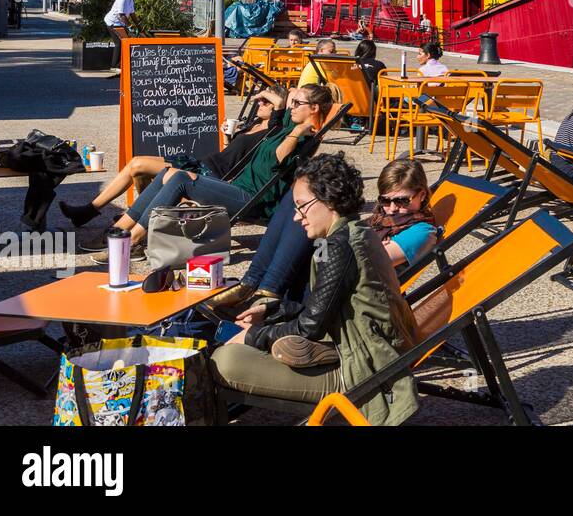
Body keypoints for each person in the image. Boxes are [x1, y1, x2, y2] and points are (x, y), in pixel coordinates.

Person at [210, 152, 420, 425]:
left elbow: (310, 326)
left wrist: (255, 336)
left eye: (301, 207)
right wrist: (273, 309)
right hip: (359, 350)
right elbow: (321, 304)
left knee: (222, 361)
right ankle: (314, 352)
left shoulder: (339, 246)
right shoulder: (352, 232)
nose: (297, 217)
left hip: (360, 370)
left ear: (328, 199)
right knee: (238, 348)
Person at [84, 85, 335, 259]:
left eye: (298, 103)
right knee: (167, 174)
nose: (291, 106)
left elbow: (276, 160)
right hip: (237, 186)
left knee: (180, 177)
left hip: (252, 199)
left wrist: (299, 132)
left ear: (313, 108)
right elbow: (284, 99)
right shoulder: (290, 120)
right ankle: (123, 230)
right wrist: (292, 106)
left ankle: (134, 239)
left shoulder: (305, 138)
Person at [208, 157, 440, 318]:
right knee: (298, 198)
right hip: (330, 273)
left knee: (314, 209)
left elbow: (366, 260)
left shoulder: (422, 232)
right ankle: (254, 283)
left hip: (343, 292)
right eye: (385, 200)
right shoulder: (382, 220)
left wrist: (341, 236)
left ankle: (266, 291)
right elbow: (359, 247)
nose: (391, 208)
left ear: (421, 194)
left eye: (401, 201)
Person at [60, 89, 285, 230]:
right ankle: (101, 211)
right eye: (260, 101)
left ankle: (93, 212)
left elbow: (280, 109)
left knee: (139, 165)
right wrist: (228, 136)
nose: (260, 104)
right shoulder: (252, 125)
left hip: (213, 175)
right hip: (203, 163)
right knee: (137, 165)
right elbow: (232, 153)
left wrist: (271, 98)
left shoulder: (273, 131)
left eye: (265, 102)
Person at [103, 0, 137, 70]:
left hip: (120, 23)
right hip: (112, 22)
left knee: (127, 40)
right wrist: (130, 27)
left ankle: (122, 64)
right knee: (119, 42)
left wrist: (140, 27)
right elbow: (121, 15)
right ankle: (114, 66)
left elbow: (133, 14)